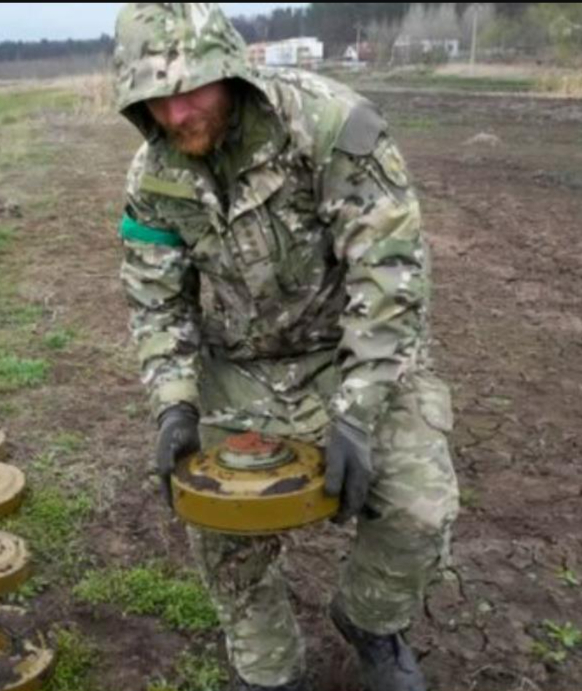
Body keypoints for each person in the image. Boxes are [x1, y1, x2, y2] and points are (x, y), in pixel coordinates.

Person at [113, 4, 460, 690]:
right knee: (215, 524)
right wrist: (174, 407)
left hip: (352, 352)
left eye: (191, 89)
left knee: (419, 510)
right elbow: (156, 301)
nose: (176, 113)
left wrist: (356, 412)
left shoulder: (332, 128)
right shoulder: (151, 178)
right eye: (154, 98)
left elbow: (387, 277)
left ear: (231, 72)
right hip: (241, 367)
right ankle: (269, 667)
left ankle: (370, 621)